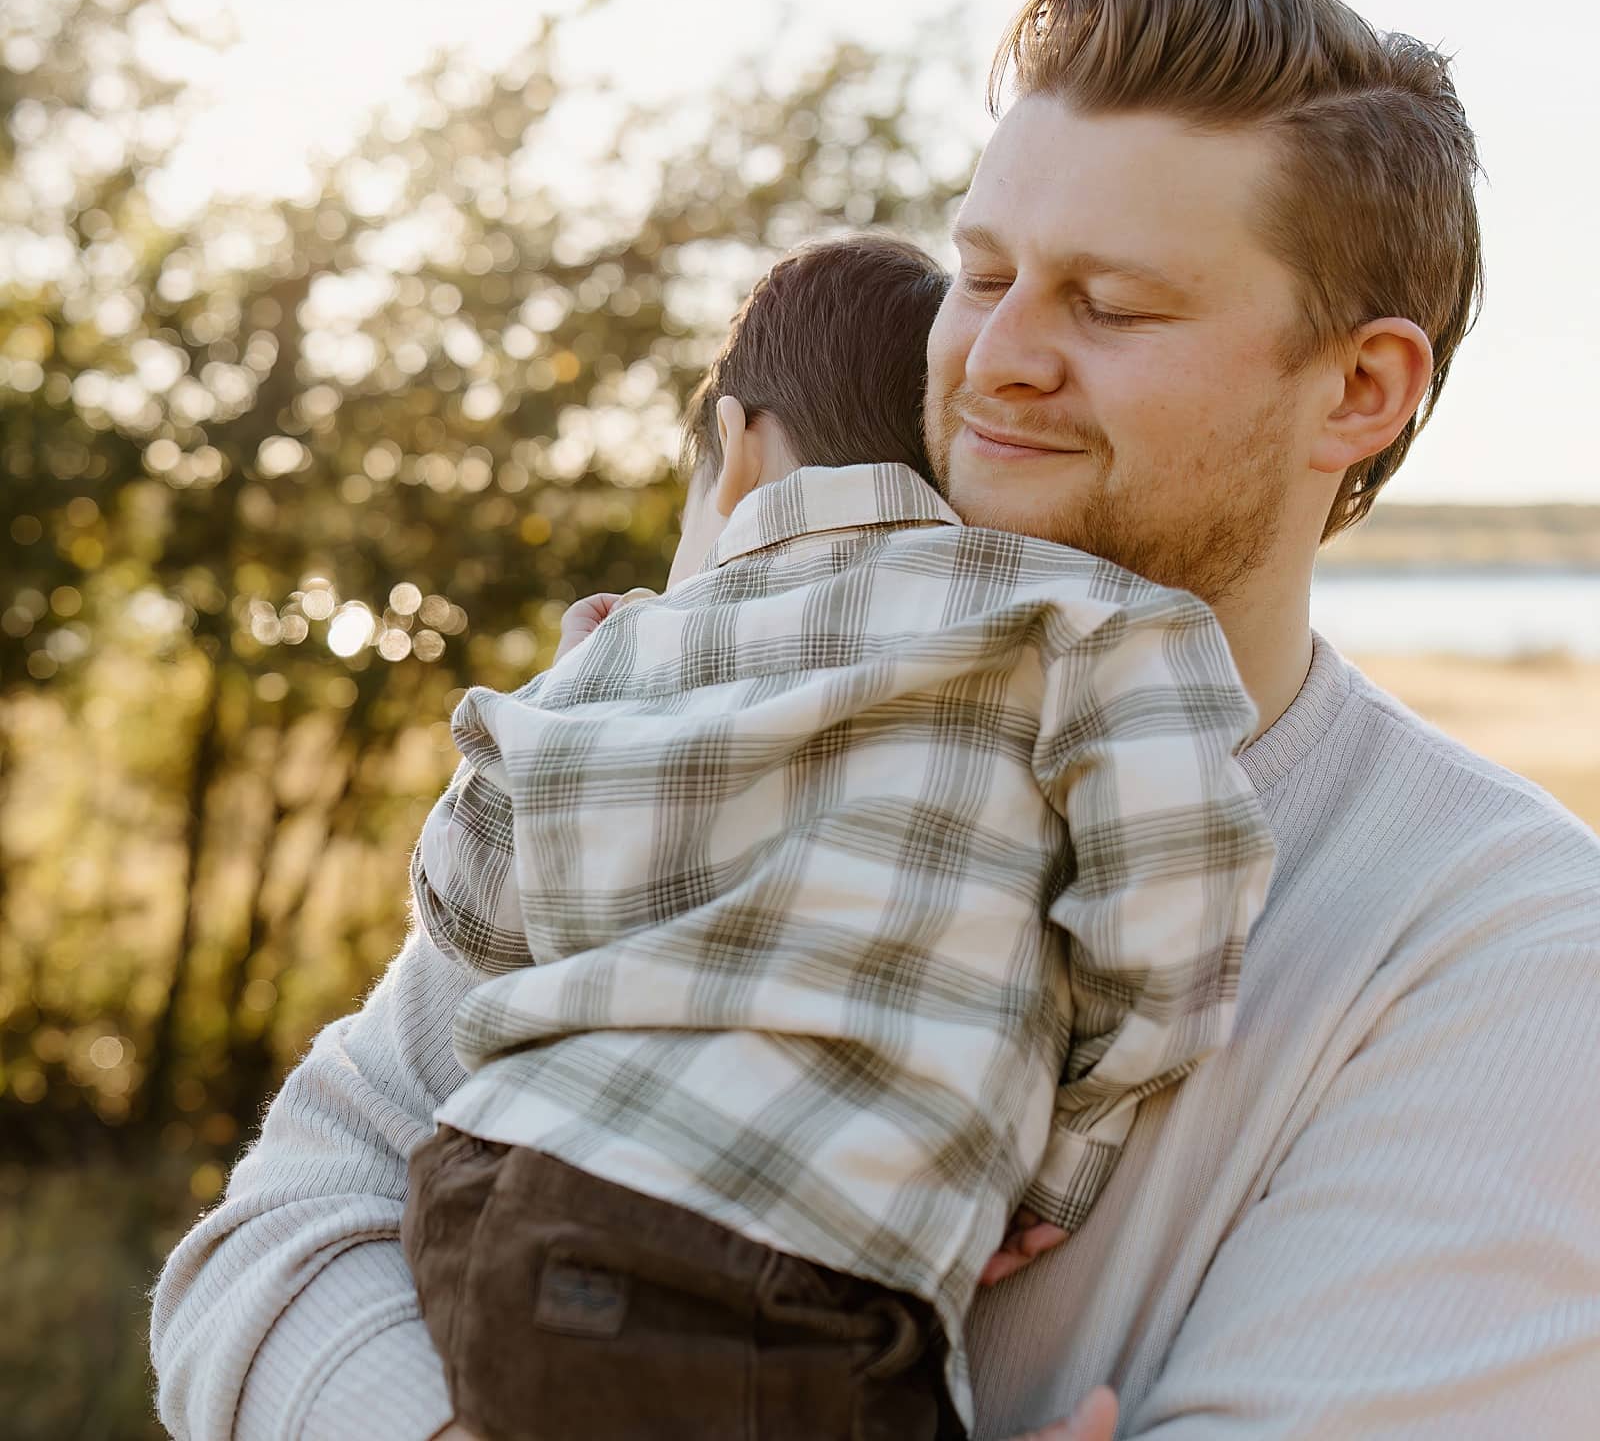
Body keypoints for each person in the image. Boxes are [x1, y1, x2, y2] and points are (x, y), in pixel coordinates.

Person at [150, 0, 1600, 1439]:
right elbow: (273, 1245)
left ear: (1361, 391)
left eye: (1110, 306)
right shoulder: (721, 725)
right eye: (982, 275)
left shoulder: (1512, 956)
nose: (998, 360)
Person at [397, 233, 1273, 1440]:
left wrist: (573, 692)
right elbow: (1172, 905)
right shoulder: (1078, 616)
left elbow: (469, 917)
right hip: (789, 1257)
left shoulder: (622, 647)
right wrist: (1054, 1157)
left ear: (742, 448)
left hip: (486, 1196)